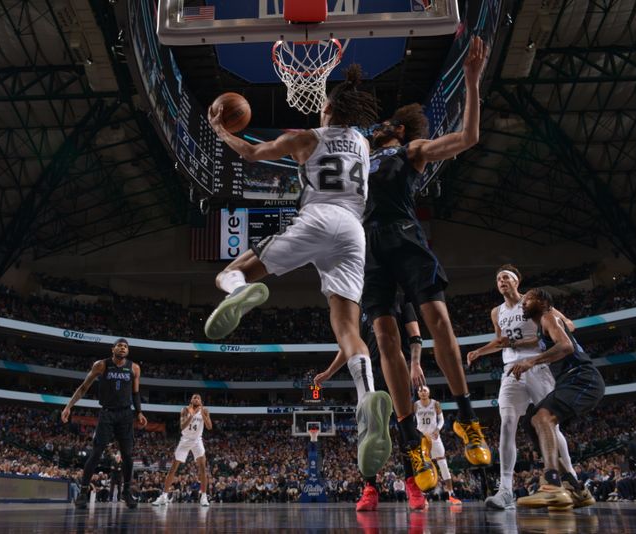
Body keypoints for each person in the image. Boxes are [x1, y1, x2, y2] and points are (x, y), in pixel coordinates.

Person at [205, 65, 393, 479]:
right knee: (347, 328)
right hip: (354, 233)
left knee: (230, 272)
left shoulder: (307, 138)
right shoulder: (362, 143)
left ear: (326, 108)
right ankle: (368, 400)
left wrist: (222, 130)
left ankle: (237, 290)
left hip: (320, 217)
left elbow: (252, 153)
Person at [361, 35, 490, 509]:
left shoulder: (409, 150)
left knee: (438, 323)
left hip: (404, 236)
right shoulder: (358, 158)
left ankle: (465, 416)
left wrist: (472, 83)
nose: (374, 129)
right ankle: (411, 442)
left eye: (381, 126)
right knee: (385, 342)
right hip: (369, 248)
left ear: (395, 130)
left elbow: (468, 139)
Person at [466, 265, 581, 509]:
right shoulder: (496, 312)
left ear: (517, 281)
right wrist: (480, 351)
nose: (501, 280)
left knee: (549, 423)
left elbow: (568, 326)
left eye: (506, 276)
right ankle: (505, 490)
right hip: (511, 370)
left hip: (537, 366)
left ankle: (571, 478)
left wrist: (525, 341)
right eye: (498, 278)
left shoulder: (533, 302)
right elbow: (502, 341)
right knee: (507, 423)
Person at [315, 300, 424, 511]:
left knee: (406, 430)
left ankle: (413, 485)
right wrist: (329, 371)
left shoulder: (402, 301)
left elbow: (416, 336)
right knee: (367, 430)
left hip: (398, 370)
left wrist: (416, 363)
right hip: (372, 377)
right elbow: (351, 346)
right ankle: (369, 489)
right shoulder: (362, 308)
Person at [510, 289, 605, 511]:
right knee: (530, 421)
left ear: (543, 302)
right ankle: (576, 489)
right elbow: (568, 328)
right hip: (569, 381)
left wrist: (532, 361)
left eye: (529, 298)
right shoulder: (545, 324)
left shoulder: (547, 317)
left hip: (583, 378)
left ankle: (552, 485)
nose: (524, 302)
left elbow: (566, 346)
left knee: (543, 418)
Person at [61, 338, 147, 509]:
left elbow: (136, 393)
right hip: (107, 413)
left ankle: (127, 492)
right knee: (96, 453)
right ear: (112, 349)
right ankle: (83, 493)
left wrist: (139, 412)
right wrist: (68, 406)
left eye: (125, 347)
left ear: (127, 351)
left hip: (125, 414)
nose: (122, 348)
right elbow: (84, 387)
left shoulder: (134, 368)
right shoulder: (101, 365)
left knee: (128, 455)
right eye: (119, 346)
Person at [152, 394, 213, 507]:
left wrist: (203, 415)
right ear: (191, 400)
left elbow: (209, 427)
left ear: (201, 401)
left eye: (198, 397)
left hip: (197, 440)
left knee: (203, 468)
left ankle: (204, 497)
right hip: (185, 440)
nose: (196, 399)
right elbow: (182, 426)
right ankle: (164, 496)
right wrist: (192, 415)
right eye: (194, 397)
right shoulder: (185, 410)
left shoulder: (205, 410)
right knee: (173, 468)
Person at [415, 385, 462, 506]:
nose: (423, 392)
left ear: (429, 392)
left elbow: (441, 420)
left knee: (443, 464)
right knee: (423, 467)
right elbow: (411, 421)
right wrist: (417, 432)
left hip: (435, 438)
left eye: (425, 390)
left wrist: (438, 429)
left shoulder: (435, 403)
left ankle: (451, 494)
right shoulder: (415, 405)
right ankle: (423, 497)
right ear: (418, 393)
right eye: (421, 391)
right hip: (422, 439)